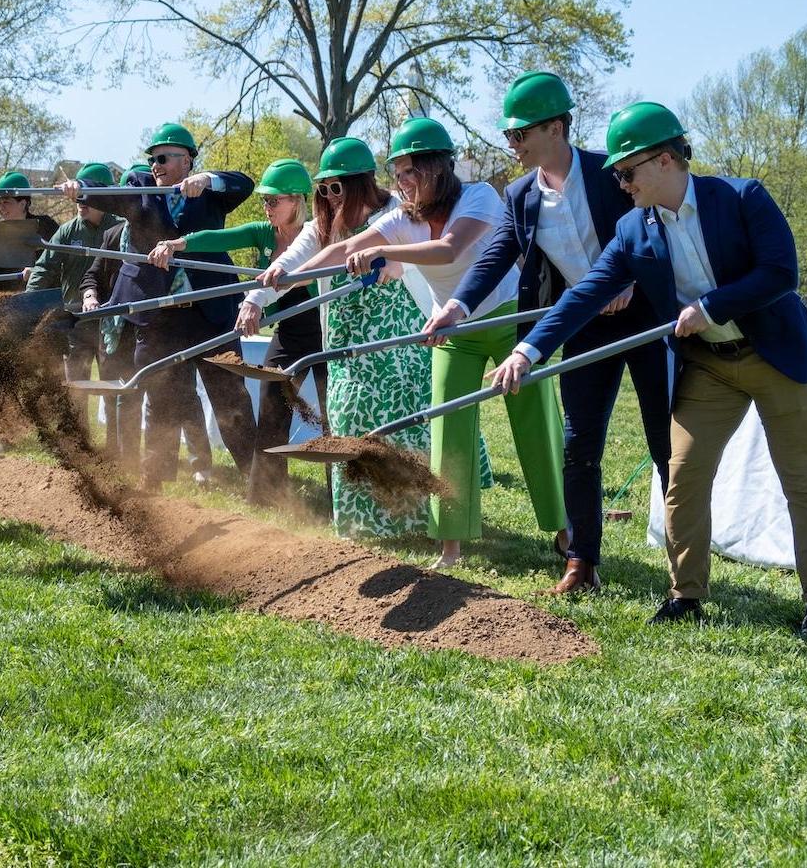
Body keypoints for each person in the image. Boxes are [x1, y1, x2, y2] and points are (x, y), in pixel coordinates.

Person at [490, 102, 807, 637]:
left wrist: (711, 307)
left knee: (803, 479)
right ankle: (686, 595)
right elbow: (584, 295)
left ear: (666, 161)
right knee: (682, 477)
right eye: (617, 175)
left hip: (775, 358)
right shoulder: (633, 230)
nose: (621, 184)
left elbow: (779, 272)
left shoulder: (742, 198)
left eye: (627, 172)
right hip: (712, 369)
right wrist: (527, 351)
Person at [426, 72, 672, 595]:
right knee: (579, 445)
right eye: (510, 135)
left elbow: (651, 227)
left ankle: (683, 565)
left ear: (556, 128)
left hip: (644, 318)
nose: (511, 144)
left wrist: (627, 279)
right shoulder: (520, 194)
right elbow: (498, 255)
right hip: (581, 323)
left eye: (520, 134)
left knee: (663, 440)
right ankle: (582, 563)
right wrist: (456, 304)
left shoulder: (610, 176)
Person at [286, 117, 567, 570]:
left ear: (439, 167)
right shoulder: (402, 218)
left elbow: (450, 249)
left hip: (507, 315)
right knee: (446, 430)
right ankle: (451, 546)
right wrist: (286, 278)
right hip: (455, 333)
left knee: (535, 419)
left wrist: (385, 252)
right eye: (397, 173)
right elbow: (344, 249)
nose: (402, 182)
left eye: (410, 171)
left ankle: (564, 527)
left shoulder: (479, 197)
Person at [253, 137, 450, 541]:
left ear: (362, 183)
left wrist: (396, 262)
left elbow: (424, 249)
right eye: (323, 189)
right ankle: (365, 524)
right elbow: (294, 264)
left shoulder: (397, 212)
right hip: (346, 347)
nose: (329, 197)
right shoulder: (323, 228)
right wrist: (260, 294)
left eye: (336, 187)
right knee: (350, 422)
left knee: (402, 427)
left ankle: (417, 520)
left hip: (399, 344)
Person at [59, 122, 257, 492]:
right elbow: (111, 194)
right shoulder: (142, 194)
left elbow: (243, 183)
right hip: (160, 318)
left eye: (165, 157)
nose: (157, 165)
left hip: (210, 314)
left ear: (187, 161)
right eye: (153, 158)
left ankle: (258, 480)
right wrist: (81, 189)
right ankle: (155, 481)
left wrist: (209, 180)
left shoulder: (211, 194)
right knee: (161, 398)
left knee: (231, 399)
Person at [149, 158, 324, 507]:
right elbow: (219, 237)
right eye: (265, 200)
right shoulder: (262, 232)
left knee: (333, 413)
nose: (267, 206)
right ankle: (266, 495)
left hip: (324, 333)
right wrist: (177, 244)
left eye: (274, 200)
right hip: (288, 334)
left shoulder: (320, 233)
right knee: (272, 408)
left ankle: (344, 497)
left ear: (297, 200)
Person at [25, 163, 125, 405]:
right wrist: (26, 303)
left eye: (87, 195)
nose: (81, 201)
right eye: (78, 196)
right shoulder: (67, 232)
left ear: (105, 195)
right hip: (75, 322)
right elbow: (44, 267)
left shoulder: (121, 228)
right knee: (74, 392)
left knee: (113, 392)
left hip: (110, 324)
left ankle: (117, 442)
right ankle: (78, 443)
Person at [81, 217, 145, 469]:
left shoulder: (158, 230)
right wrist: (90, 294)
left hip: (141, 327)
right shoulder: (113, 234)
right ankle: (113, 453)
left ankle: (129, 457)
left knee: (130, 396)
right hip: (111, 329)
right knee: (110, 393)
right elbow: (93, 273)